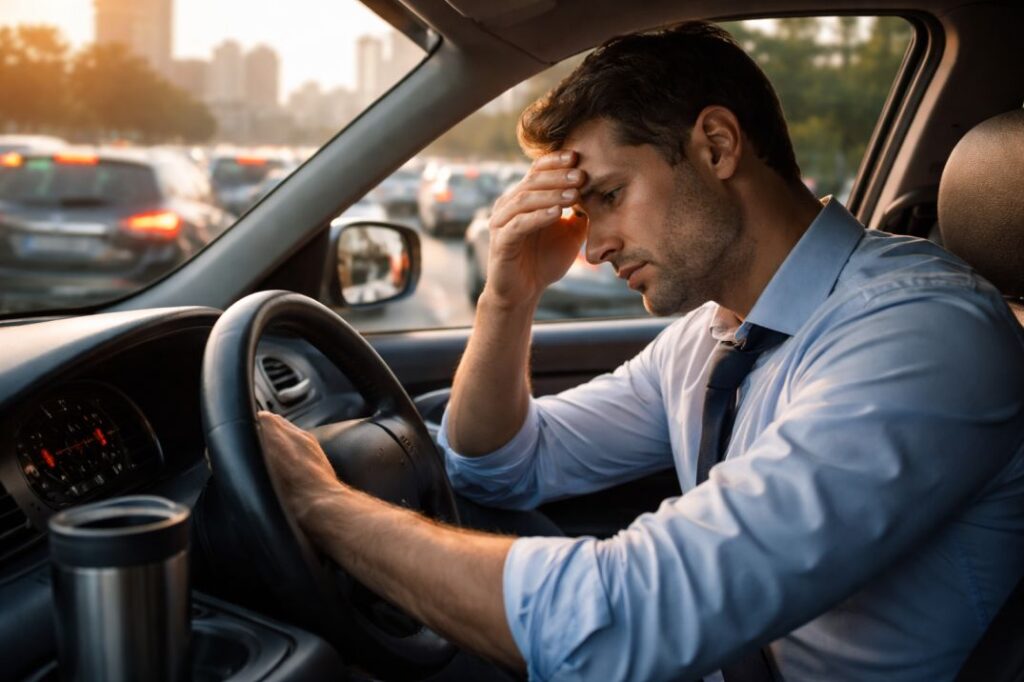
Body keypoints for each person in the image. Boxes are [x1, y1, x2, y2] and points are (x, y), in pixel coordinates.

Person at [259, 21, 1024, 681]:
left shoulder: (921, 336)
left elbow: (628, 616)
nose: (590, 248)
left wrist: (322, 507)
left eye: (609, 197)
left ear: (717, 145)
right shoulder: (716, 335)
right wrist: (509, 297)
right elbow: (498, 464)